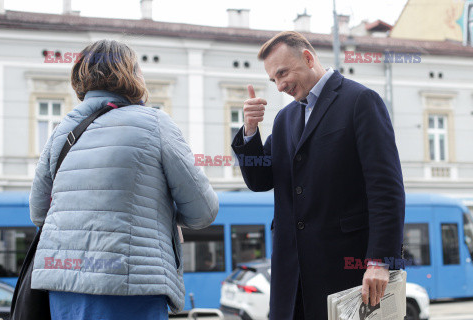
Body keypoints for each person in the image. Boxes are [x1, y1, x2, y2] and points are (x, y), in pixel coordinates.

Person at [29, 39, 219, 320]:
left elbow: (38, 213)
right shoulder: (155, 123)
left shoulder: (61, 131)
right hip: (130, 284)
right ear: (130, 74)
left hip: (63, 287)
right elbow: (204, 210)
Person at [231, 31, 405, 320]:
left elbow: (386, 189)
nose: (280, 85)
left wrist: (380, 261)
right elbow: (261, 180)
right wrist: (250, 130)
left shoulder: (361, 100)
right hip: (292, 278)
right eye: (273, 79)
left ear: (308, 58)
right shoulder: (285, 119)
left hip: (346, 274)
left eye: (283, 73)